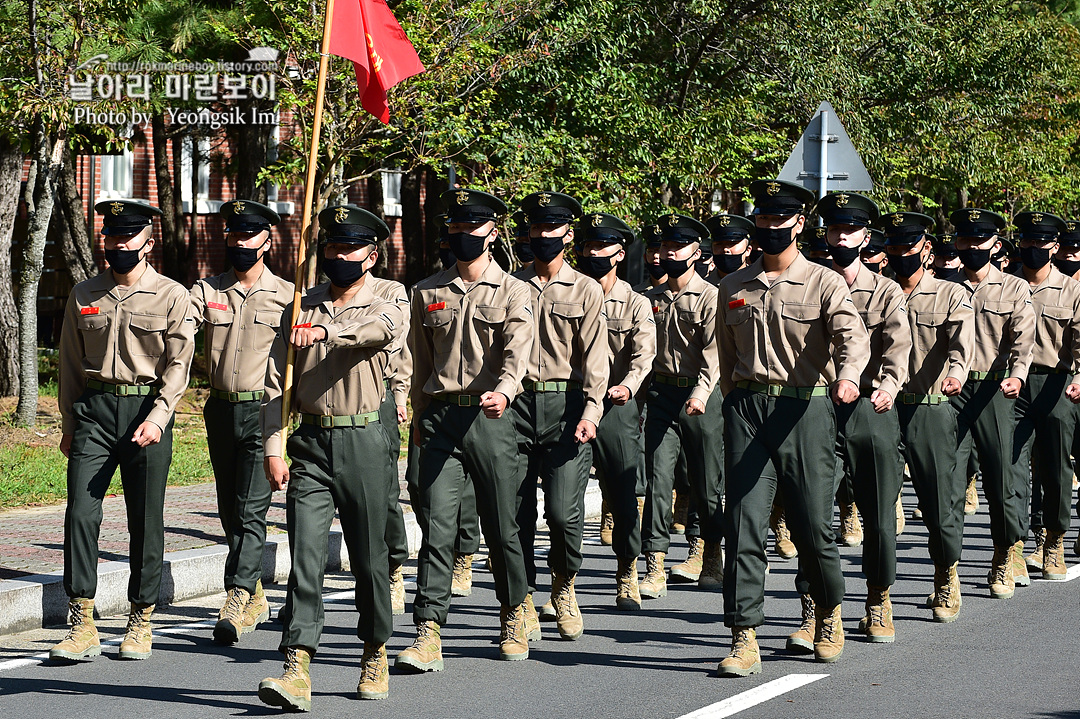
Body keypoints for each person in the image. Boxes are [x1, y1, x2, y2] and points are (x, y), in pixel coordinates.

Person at [716, 179, 869, 676]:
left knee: (812, 526)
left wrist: (847, 378)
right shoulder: (733, 286)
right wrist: (733, 396)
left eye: (779, 220)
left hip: (805, 411)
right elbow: (725, 353)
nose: (769, 228)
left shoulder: (825, 282)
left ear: (799, 224)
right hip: (748, 411)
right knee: (744, 523)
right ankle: (744, 635)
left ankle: (826, 612)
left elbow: (852, 338)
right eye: (762, 220)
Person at [258, 205, 404, 708]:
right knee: (305, 558)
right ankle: (297, 663)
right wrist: (274, 447)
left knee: (369, 558)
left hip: (364, 440)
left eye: (350, 247)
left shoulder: (391, 296)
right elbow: (276, 384)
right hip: (311, 444)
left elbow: (379, 330)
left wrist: (324, 332)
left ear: (372, 253)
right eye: (332, 246)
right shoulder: (301, 302)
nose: (339, 255)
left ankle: (374, 649)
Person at [397, 188, 535, 672]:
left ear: (492, 232)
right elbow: (416, 362)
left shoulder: (516, 291)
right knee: (437, 528)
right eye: (454, 229)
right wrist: (412, 414)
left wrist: (506, 390)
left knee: (502, 525)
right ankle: (428, 631)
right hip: (438, 417)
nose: (462, 237)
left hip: (489, 417)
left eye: (471, 229)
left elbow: (519, 351)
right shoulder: (427, 291)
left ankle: (514, 610)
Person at [51, 200, 195, 662]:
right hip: (94, 411)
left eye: (127, 238)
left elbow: (178, 366)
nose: (117, 246)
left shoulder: (173, 295)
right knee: (80, 512)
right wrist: (69, 423)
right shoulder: (83, 294)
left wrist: (158, 417)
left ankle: (141, 617)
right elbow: (71, 364)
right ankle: (82, 620)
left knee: (145, 518)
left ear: (148, 243)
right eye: (111, 238)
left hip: (145, 411)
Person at [805, 194, 911, 645]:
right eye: (834, 230)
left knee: (878, 513)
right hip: (817, 407)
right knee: (811, 512)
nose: (841, 237)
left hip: (870, 405)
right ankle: (817, 606)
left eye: (850, 230)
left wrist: (888, 386)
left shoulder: (885, 290)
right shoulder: (809, 283)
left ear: (866, 237)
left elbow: (897, 347)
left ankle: (878, 597)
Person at [190, 199, 292, 643]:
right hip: (220, 408)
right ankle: (256, 595)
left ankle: (238, 592)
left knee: (252, 509)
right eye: (232, 235)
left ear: (267, 241)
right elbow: (178, 327)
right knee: (230, 508)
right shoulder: (207, 290)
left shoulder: (289, 296)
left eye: (248, 235)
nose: (239, 243)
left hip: (265, 410)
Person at [511, 190, 608, 641]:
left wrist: (592, 409)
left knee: (565, 514)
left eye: (552, 229)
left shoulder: (586, 289)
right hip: (514, 407)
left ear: (568, 235)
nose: (543, 236)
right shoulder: (511, 285)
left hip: (567, 407)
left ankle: (564, 584)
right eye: (536, 228)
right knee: (514, 514)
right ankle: (522, 598)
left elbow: (596, 359)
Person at [883, 213, 974, 622]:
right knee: (878, 504)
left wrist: (956, 373)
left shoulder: (949, 294)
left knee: (939, 502)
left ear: (926, 249)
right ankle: (878, 592)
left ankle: (945, 573)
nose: (903, 254)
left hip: (929, 405)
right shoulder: (875, 292)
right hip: (880, 406)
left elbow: (961, 342)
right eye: (896, 246)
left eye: (910, 246)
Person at [950, 207, 1035, 599]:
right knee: (946, 481)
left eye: (978, 241)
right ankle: (945, 567)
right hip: (947, 393)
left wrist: (1017, 374)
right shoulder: (941, 285)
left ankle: (1004, 552)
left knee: (1001, 478)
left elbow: (1023, 338)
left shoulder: (1014, 288)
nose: (971, 247)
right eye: (964, 240)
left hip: (994, 391)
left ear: (995, 245)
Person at [639, 213, 725, 598]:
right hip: (662, 396)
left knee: (707, 484)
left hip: (701, 396)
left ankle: (709, 554)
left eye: (677, 246)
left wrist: (702, 393)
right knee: (658, 479)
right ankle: (654, 564)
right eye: (664, 247)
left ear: (695, 251)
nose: (669, 253)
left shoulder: (711, 297)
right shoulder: (650, 299)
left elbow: (715, 355)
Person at [575, 212, 656, 610]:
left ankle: (627, 570)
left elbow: (643, 356)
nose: (593, 253)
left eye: (601, 247)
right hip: (571, 404)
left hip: (615, 404)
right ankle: (564, 582)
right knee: (566, 498)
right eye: (588, 246)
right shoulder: (567, 293)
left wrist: (629, 384)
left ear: (619, 254)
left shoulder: (636, 303)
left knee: (624, 494)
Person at [1010, 211, 1080, 580]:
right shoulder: (1005, 285)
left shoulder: (1072, 290)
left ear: (1055, 247)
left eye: (1040, 242)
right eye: (1027, 241)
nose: (1033, 249)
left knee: (1055, 468)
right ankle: (1016, 544)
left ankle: (1053, 541)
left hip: (1055, 384)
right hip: (1009, 387)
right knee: (1012, 467)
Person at [367, 253, 413, 616]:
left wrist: (399, 395)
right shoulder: (315, 296)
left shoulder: (390, 292)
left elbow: (397, 347)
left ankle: (394, 567)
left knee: (384, 494)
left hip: (376, 396)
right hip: (326, 406)